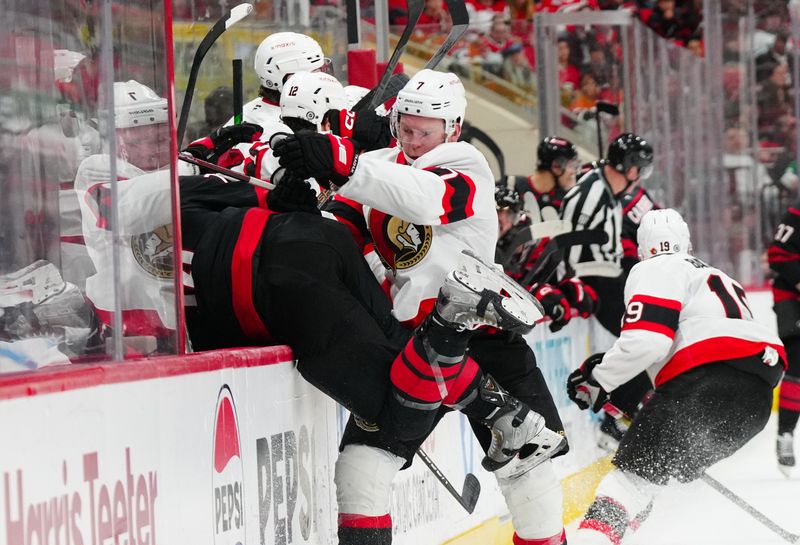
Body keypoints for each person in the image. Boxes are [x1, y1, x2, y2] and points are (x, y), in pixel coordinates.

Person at [274, 69, 569, 545]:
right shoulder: (382, 163)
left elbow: (424, 200)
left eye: (424, 132)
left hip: (482, 334)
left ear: (452, 128)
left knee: (527, 474)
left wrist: (345, 163)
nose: (412, 141)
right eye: (405, 129)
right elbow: (346, 232)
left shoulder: (467, 165)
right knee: (360, 469)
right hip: (411, 344)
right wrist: (303, 199)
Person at [566, 208, 786, 545]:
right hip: (755, 404)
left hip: (703, 386)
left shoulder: (654, 268)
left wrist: (598, 378)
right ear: (688, 243)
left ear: (642, 249)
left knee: (630, 480)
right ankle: (609, 537)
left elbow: (648, 340)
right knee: (648, 478)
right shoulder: (716, 276)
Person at [74, 80, 193, 352]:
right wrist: (200, 172)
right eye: (139, 138)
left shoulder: (180, 168)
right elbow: (125, 208)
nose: (154, 146)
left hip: (181, 317)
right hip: (124, 318)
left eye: (160, 135)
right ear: (114, 140)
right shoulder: (97, 169)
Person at [559, 132, 655, 442]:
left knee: (652, 344)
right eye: (639, 168)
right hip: (597, 282)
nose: (639, 176)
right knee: (650, 344)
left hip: (610, 279)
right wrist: (571, 284)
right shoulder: (592, 192)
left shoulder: (607, 191)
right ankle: (617, 417)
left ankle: (620, 412)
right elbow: (565, 242)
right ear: (629, 167)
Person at [224, 31, 328, 128]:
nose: (322, 79)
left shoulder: (314, 107)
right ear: (291, 79)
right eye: (316, 72)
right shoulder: (258, 126)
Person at [767, 201, 800, 475]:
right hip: (792, 297)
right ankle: (785, 435)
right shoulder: (796, 211)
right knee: (798, 359)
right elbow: (777, 254)